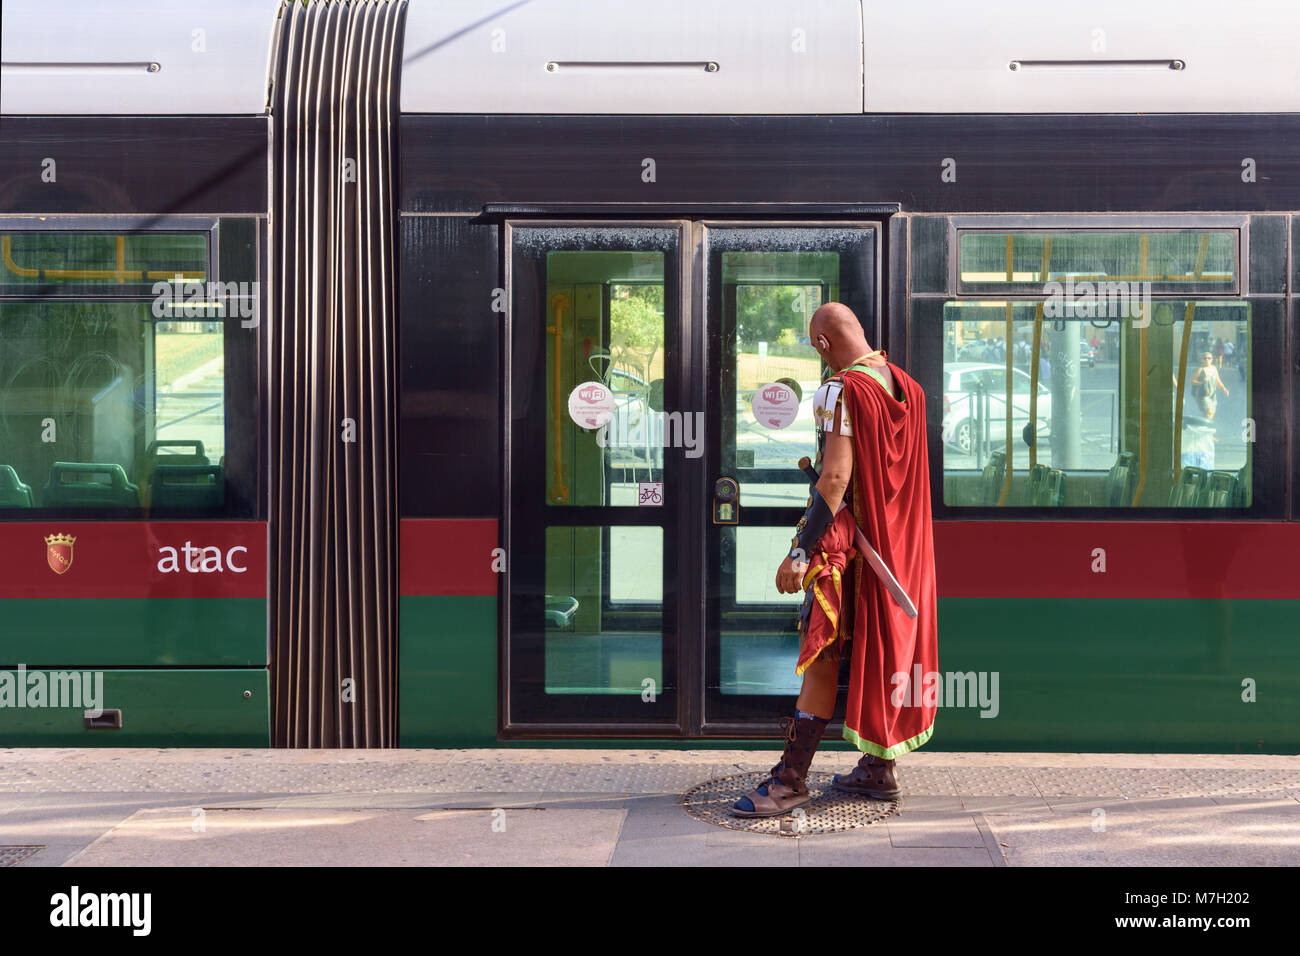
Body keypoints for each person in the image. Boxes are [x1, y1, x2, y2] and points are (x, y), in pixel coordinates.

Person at [732, 302, 938, 817]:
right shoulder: (907, 387)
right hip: (901, 554)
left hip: (849, 557)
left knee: (820, 657)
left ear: (822, 345)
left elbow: (835, 479)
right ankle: (876, 769)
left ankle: (790, 781)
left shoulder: (840, 389)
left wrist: (799, 550)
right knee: (881, 655)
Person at [1191, 351, 1229, 420]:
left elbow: (1218, 381)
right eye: (1205, 358)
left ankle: (1204, 427)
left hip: (1212, 395)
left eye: (1209, 358)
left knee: (1211, 414)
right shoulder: (1200, 370)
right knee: (1209, 412)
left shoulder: (1214, 368)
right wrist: (1202, 382)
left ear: (1212, 359)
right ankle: (1205, 427)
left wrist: (1224, 388)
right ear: (1202, 360)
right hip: (1203, 394)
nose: (1207, 360)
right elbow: (1192, 381)